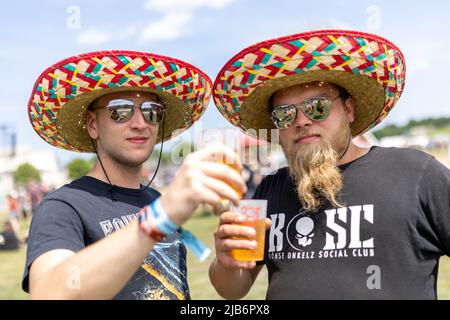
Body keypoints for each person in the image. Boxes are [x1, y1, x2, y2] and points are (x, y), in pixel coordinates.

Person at [209, 30, 450, 299]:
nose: (301, 121)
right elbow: (233, 290)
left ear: (349, 109)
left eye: (317, 107)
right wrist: (226, 263)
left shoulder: (416, 173)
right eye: (284, 114)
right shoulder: (269, 189)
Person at [23, 50, 246, 300]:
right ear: (92, 124)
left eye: (151, 111)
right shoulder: (63, 207)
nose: (140, 122)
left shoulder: (155, 199)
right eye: (121, 110)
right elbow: (47, 293)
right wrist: (161, 215)